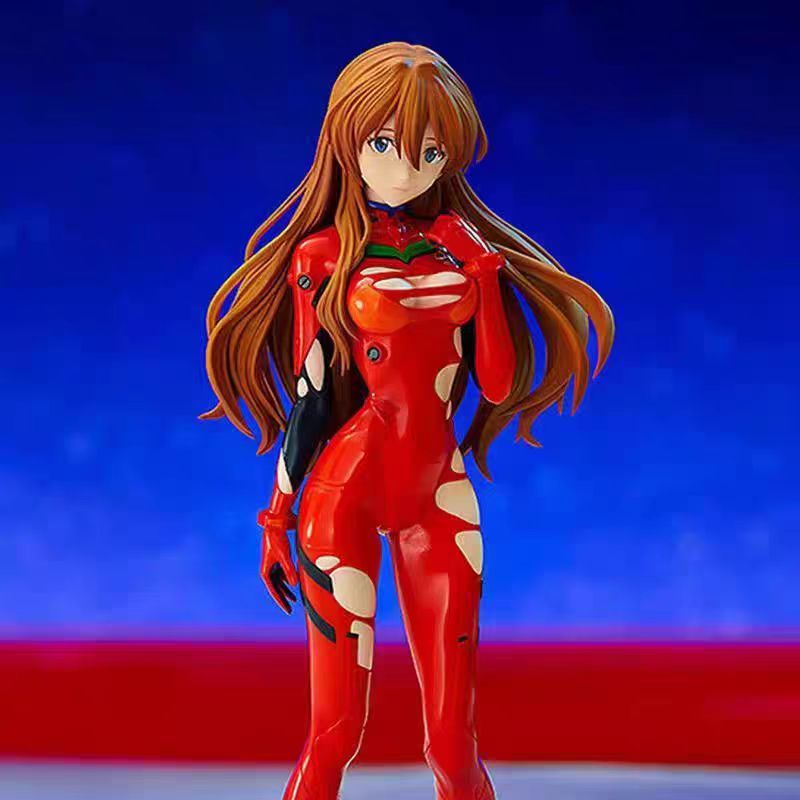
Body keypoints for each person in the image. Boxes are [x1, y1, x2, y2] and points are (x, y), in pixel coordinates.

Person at [202, 41, 614, 800]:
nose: (405, 169)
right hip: (344, 491)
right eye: (385, 144)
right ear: (346, 140)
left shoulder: (462, 252)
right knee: (335, 731)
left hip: (438, 493)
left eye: (429, 151)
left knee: (453, 742)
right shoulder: (321, 258)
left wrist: (483, 273)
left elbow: (494, 381)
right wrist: (277, 516)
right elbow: (313, 395)